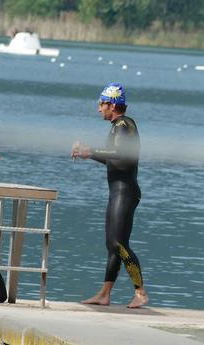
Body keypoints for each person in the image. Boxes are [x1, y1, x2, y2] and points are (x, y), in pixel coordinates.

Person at [71, 82, 148, 308]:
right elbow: (113, 156)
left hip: (125, 191)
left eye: (101, 104)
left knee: (119, 243)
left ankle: (140, 292)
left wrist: (90, 151)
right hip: (118, 192)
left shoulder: (124, 124)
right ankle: (105, 294)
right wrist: (90, 154)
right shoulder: (118, 126)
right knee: (112, 244)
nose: (99, 109)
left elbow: (122, 158)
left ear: (112, 104)